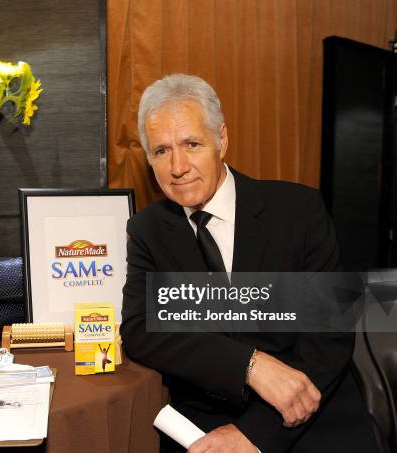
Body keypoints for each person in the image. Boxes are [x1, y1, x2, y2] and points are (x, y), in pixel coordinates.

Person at [120, 74, 378, 452]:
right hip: (205, 425)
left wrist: (255, 434)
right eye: (161, 151)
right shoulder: (147, 231)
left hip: (310, 420)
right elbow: (142, 329)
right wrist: (249, 365)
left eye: (191, 144)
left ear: (221, 140)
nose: (177, 167)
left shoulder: (300, 211)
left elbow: (329, 337)